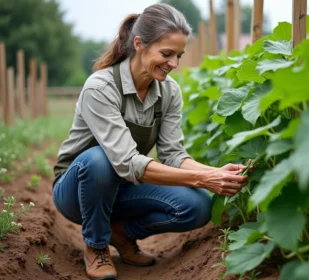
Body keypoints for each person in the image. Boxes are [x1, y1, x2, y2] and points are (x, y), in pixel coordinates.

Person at [52, 3, 249, 280]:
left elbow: (173, 154)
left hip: (123, 187)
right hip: (77, 191)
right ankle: (96, 246)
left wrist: (215, 173)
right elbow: (126, 161)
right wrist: (201, 179)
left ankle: (120, 234)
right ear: (139, 44)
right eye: (166, 54)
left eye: (178, 55)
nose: (174, 64)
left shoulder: (169, 92)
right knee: (99, 160)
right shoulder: (101, 87)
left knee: (198, 206)